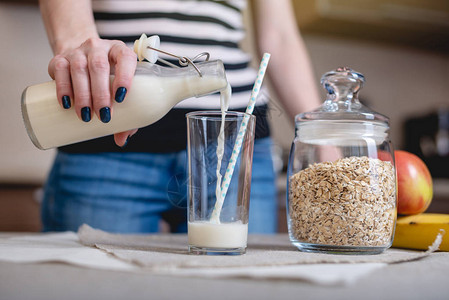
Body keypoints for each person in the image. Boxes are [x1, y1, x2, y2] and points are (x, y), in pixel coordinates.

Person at [38, 0, 321, 233]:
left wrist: (323, 138)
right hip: (109, 128)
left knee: (237, 284)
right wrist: (79, 47)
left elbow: (280, 35)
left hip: (235, 142)